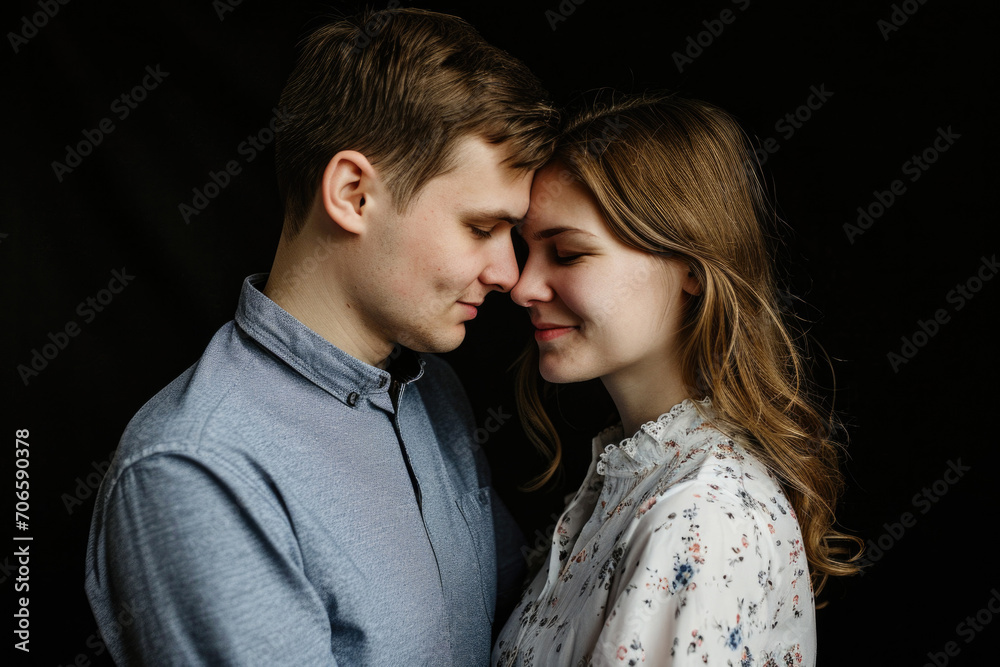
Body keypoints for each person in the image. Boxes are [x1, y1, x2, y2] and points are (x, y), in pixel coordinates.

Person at [85, 8, 558, 665]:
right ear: (353, 193)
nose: (509, 272)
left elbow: (523, 626)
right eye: (481, 228)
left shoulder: (432, 389)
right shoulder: (198, 468)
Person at [492, 94, 861, 666]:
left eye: (566, 254)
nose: (522, 287)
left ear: (690, 268)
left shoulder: (697, 514)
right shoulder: (635, 476)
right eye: (526, 250)